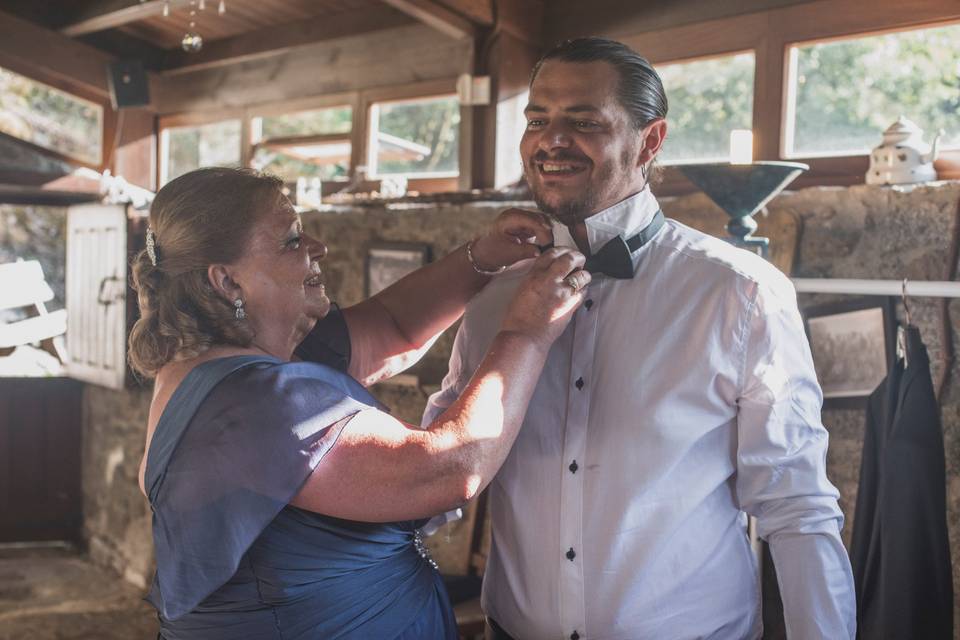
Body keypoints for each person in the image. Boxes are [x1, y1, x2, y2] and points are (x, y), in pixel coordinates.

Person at [424, 37, 857, 640]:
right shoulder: (491, 299)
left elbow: (797, 507)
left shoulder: (740, 294)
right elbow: (439, 467)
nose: (551, 140)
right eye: (537, 120)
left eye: (583, 122)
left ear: (650, 141)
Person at [130, 166, 591, 639]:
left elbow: (393, 327)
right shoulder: (259, 404)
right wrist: (528, 333)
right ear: (227, 283)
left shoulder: (216, 363)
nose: (318, 248)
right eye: (291, 241)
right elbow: (451, 469)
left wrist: (483, 256)